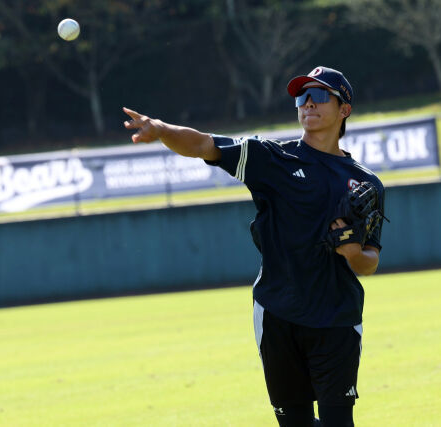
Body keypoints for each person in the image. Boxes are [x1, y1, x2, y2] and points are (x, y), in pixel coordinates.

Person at [123, 65, 385, 427]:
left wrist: (354, 253)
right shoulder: (271, 158)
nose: (308, 103)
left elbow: (370, 261)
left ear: (345, 109)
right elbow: (203, 145)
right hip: (278, 312)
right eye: (302, 96)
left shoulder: (365, 183)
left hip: (336, 317)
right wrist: (161, 130)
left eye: (319, 95)